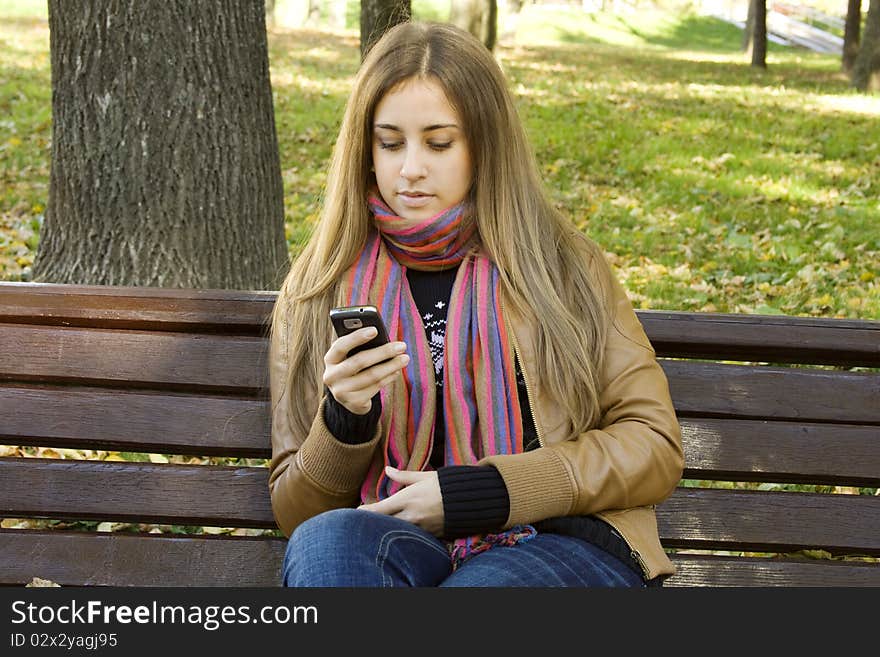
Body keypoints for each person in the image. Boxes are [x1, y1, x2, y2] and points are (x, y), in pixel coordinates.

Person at [268, 20, 684, 587]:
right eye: (390, 143)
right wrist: (344, 419)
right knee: (326, 546)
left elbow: (652, 444)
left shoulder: (562, 268)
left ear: (484, 146)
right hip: (400, 540)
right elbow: (297, 514)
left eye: (438, 143)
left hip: (557, 539)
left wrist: (487, 491)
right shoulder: (320, 285)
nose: (410, 168)